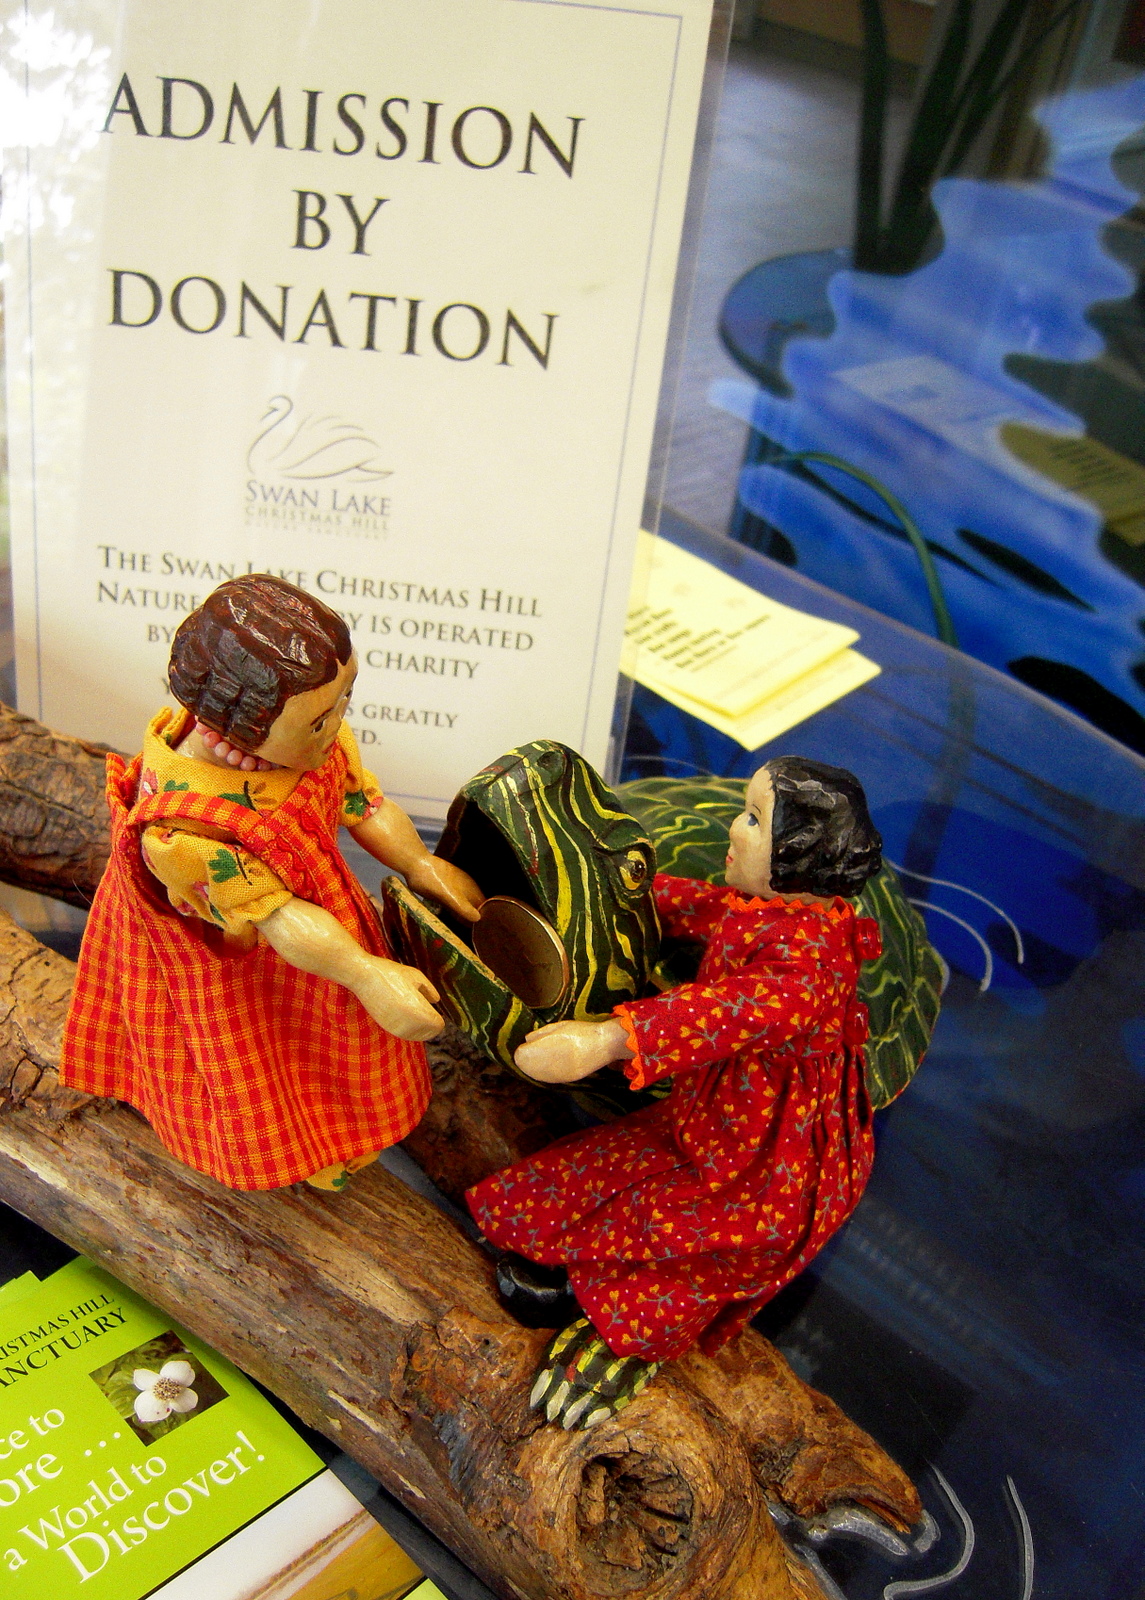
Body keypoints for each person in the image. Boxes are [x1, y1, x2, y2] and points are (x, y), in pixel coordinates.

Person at [467, 757, 883, 1428]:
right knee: (583, 1178)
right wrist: (624, 889)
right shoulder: (775, 912)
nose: (735, 828)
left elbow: (723, 1012)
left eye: (755, 820)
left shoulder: (806, 971)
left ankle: (627, 1342)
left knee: (692, 1251)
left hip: (761, 1159)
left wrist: (606, 1040)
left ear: (799, 859)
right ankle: (565, 1261)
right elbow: (704, 906)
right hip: (709, 1114)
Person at [60, 575, 483, 1191]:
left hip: (319, 924)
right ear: (241, 727)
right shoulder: (186, 833)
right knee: (271, 1056)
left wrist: (420, 864)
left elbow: (360, 803)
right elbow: (278, 917)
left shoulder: (303, 744)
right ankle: (306, 1146)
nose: (337, 725)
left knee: (336, 1044)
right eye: (318, 721)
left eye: (344, 699)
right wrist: (365, 972)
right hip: (249, 950)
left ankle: (340, 1125)